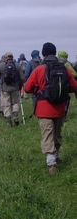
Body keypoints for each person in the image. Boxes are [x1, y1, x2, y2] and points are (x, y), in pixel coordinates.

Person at [24, 42, 77, 175]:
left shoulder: (39, 70)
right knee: (57, 133)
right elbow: (73, 86)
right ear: (55, 53)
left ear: (43, 54)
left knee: (47, 135)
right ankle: (56, 157)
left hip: (44, 109)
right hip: (60, 108)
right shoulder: (64, 68)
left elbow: (28, 88)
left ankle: (52, 164)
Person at [0, 52, 24, 127]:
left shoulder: (2, 65)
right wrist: (20, 86)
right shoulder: (17, 65)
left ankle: (9, 121)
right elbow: (22, 78)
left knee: (6, 104)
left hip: (5, 88)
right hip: (15, 87)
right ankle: (16, 116)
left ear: (5, 57)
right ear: (12, 57)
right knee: (15, 102)